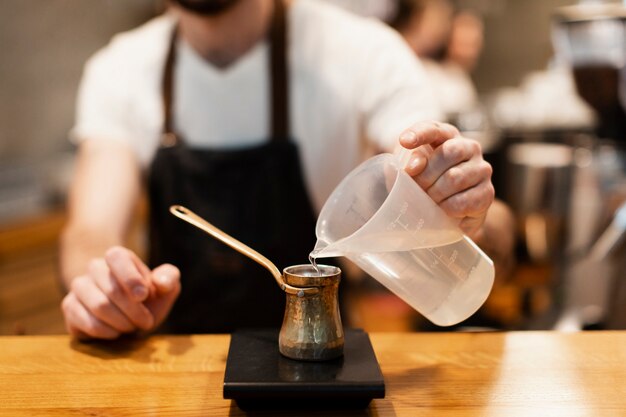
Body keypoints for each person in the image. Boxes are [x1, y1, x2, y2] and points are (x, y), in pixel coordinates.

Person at [60, 0, 507, 340]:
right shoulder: (120, 69)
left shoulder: (362, 51)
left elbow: (465, 207)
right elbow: (90, 231)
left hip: (325, 365)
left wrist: (457, 204)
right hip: (176, 364)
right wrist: (103, 286)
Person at [390, 0, 484, 120]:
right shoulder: (396, 56)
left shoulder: (443, 72)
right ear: (416, 19)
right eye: (439, 19)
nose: (444, 29)